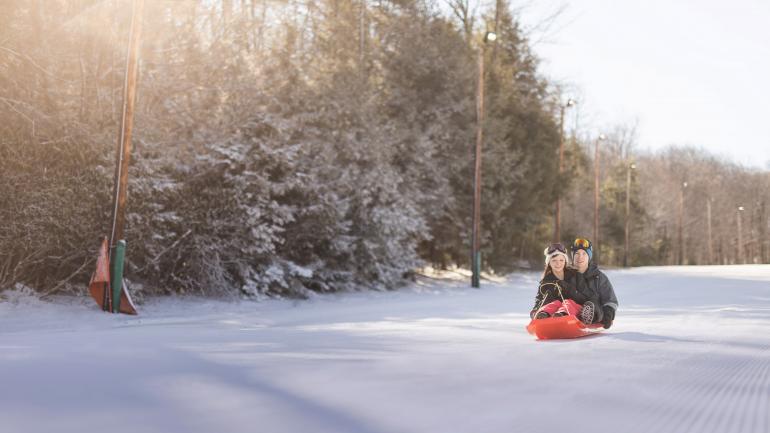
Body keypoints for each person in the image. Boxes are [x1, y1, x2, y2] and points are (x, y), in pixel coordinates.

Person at [530, 243, 595, 324]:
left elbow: (585, 297)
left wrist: (568, 288)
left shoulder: (576, 276)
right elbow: (539, 299)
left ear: (565, 261)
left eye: (561, 260)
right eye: (554, 260)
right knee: (555, 303)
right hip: (555, 311)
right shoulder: (546, 281)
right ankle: (543, 315)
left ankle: (562, 315)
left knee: (568, 302)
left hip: (576, 308)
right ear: (549, 262)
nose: (558, 263)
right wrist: (535, 309)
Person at [567, 238, 619, 328]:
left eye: (584, 254)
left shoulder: (599, 277)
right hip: (570, 312)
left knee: (593, 304)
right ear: (572, 256)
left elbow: (610, 300)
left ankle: (589, 316)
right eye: (577, 254)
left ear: (589, 257)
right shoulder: (566, 275)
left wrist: (608, 313)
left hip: (595, 311)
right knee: (568, 303)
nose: (580, 257)